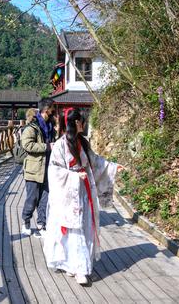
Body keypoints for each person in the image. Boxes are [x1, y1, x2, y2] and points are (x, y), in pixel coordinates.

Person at [43, 108, 124, 285]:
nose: (84, 124)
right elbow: (54, 171)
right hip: (68, 193)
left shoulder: (83, 143)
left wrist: (111, 167)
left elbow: (95, 162)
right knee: (73, 229)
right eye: (81, 121)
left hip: (83, 192)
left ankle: (76, 265)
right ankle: (78, 267)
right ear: (75, 123)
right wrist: (73, 176)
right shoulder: (60, 145)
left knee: (84, 227)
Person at [20, 98, 56, 237]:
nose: (54, 111)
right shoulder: (32, 127)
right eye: (53, 109)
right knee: (32, 198)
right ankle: (26, 222)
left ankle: (42, 223)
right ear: (46, 110)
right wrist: (47, 146)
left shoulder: (51, 125)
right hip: (34, 169)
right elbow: (27, 145)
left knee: (45, 198)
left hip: (48, 167)